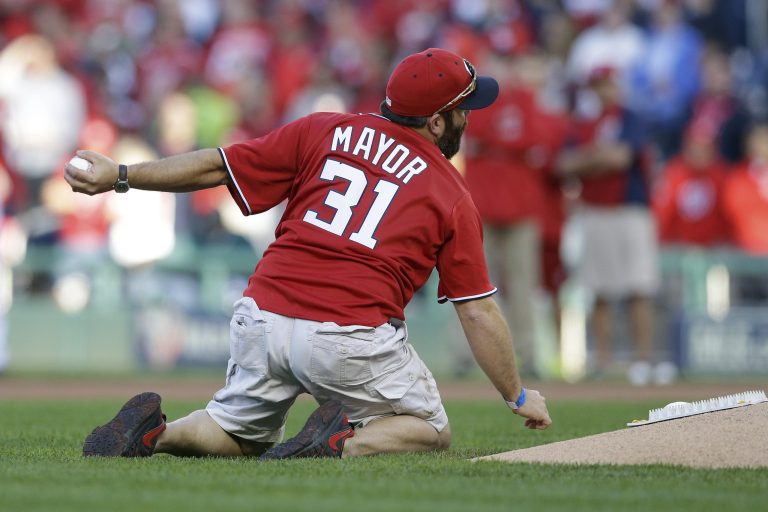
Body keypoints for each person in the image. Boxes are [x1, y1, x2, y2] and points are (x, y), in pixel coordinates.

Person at [67, 48, 552, 460]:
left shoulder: (324, 129)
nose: (468, 119)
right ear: (437, 120)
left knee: (235, 431)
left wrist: (122, 175)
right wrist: (517, 394)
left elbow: (217, 166)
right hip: (349, 333)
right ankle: (341, 441)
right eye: (464, 109)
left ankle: (157, 434)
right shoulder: (451, 191)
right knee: (430, 427)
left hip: (262, 316)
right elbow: (478, 311)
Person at [556, 66, 663, 386]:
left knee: (638, 289)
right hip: (596, 211)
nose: (605, 90)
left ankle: (642, 361)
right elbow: (563, 164)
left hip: (630, 209)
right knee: (598, 289)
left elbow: (621, 158)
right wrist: (597, 157)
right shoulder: (584, 123)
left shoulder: (631, 117)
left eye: (609, 84)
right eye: (599, 85)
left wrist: (588, 160)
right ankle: (603, 360)